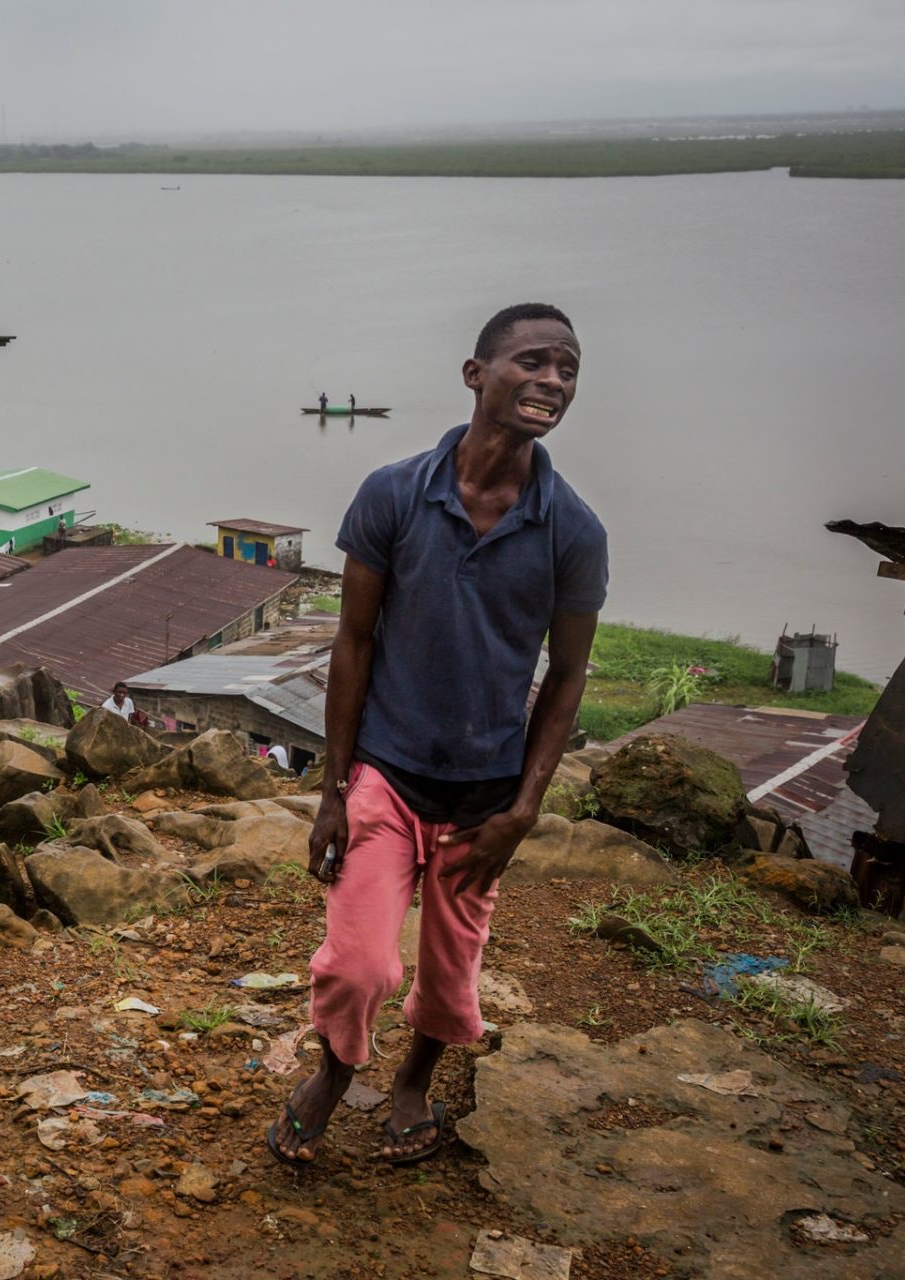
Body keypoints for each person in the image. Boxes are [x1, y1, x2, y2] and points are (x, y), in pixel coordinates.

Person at [266, 303, 605, 1168]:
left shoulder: (573, 530)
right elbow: (355, 640)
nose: (553, 381)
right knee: (357, 966)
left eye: (567, 368)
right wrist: (333, 791)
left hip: (485, 799)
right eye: (533, 361)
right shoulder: (393, 494)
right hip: (387, 774)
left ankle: (415, 1081)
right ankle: (336, 1073)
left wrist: (524, 809)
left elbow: (565, 679)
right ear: (475, 374)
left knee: (452, 975)